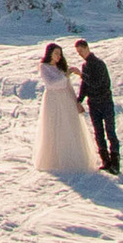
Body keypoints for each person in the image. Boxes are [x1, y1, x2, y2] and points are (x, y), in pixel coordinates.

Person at [33, 43, 98, 174]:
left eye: (60, 54)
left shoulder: (60, 68)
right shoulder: (44, 67)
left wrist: (77, 102)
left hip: (66, 99)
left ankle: (71, 157)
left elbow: (68, 86)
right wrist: (66, 75)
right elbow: (52, 84)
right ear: (50, 53)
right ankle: (54, 159)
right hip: (53, 100)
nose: (58, 57)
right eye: (56, 53)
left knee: (69, 125)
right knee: (54, 125)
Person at [74, 38, 120, 172]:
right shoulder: (85, 66)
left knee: (110, 132)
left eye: (81, 51)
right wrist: (79, 100)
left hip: (105, 102)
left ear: (87, 48)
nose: (80, 54)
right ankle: (105, 161)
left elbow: (97, 83)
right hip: (93, 104)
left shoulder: (99, 64)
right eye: (78, 52)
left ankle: (115, 162)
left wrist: (81, 75)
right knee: (98, 133)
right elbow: (85, 86)